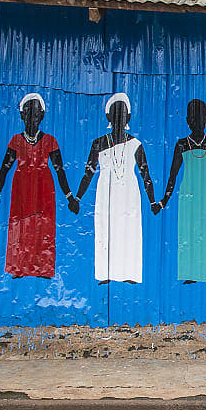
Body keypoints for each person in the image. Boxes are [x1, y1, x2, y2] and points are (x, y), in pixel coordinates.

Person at [70, 93, 160, 284]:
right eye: (115, 113)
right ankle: (105, 273)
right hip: (106, 194)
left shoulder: (136, 144)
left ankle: (130, 273)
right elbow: (88, 173)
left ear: (128, 117)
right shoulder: (98, 143)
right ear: (108, 117)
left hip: (129, 193)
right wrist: (77, 198)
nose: (119, 117)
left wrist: (152, 201)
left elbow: (146, 175)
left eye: (123, 113)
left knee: (129, 230)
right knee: (106, 230)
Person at [0, 93, 75, 278]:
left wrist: (69, 197)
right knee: (19, 226)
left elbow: (60, 170)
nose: (32, 118)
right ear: (22, 115)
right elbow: (5, 167)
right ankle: (18, 268)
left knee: (43, 227)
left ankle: (43, 268)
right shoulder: (16, 141)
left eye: (36, 114)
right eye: (28, 113)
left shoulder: (50, 141)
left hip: (44, 188)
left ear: (42, 116)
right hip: (21, 188)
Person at [159, 99, 206, 284]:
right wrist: (164, 201)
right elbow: (173, 175)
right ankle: (189, 274)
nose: (196, 122)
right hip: (188, 194)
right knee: (188, 232)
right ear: (187, 120)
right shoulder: (181, 145)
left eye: (200, 117)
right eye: (193, 118)